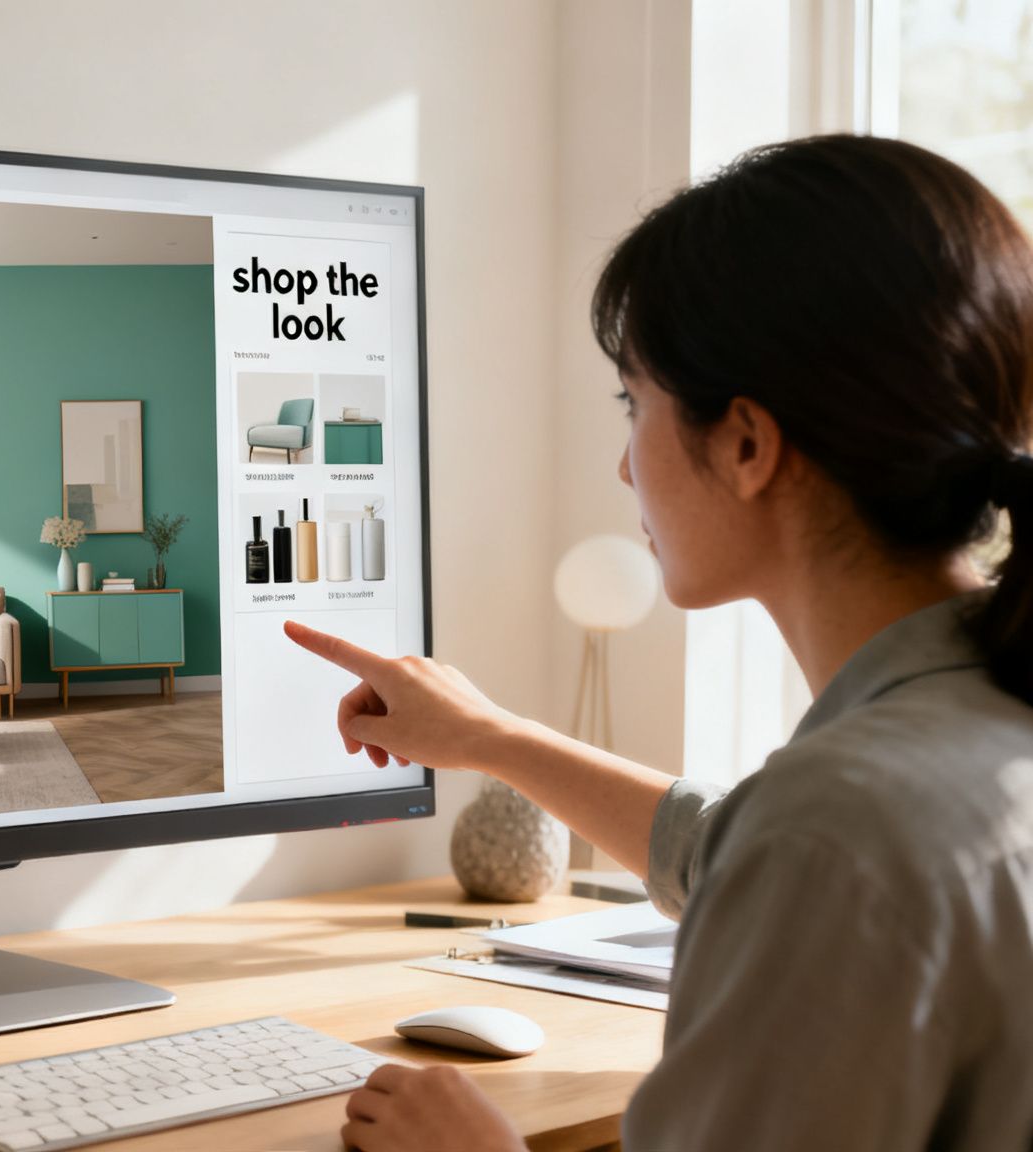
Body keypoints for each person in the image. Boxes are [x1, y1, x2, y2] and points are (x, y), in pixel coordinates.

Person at [287, 133, 1033, 1151]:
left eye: (631, 403)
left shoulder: (836, 827)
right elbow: (737, 849)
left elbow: (802, 852)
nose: (624, 466)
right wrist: (490, 738)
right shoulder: (981, 716)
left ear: (743, 444)